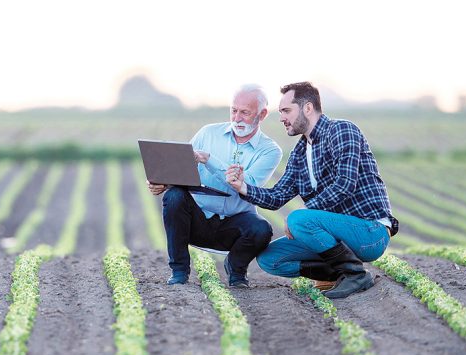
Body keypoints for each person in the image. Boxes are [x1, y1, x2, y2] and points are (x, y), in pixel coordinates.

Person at [226, 81, 398, 298]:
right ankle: (335, 275)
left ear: (307, 108)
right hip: (333, 236)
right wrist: (243, 187)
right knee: (270, 259)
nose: (282, 118)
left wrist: (304, 214)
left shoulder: (342, 130)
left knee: (299, 219)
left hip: (368, 232)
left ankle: (355, 275)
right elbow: (277, 197)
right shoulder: (299, 153)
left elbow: (345, 185)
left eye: (287, 111)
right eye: (280, 112)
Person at [147, 84, 283, 287]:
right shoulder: (208, 133)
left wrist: (209, 160)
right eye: (234, 110)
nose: (237, 118)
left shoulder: (270, 150)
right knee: (174, 195)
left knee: (262, 229)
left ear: (262, 114)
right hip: (198, 220)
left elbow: (248, 185)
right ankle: (179, 271)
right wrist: (162, 182)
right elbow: (183, 167)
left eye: (245, 113)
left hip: (234, 224)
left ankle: (236, 270)